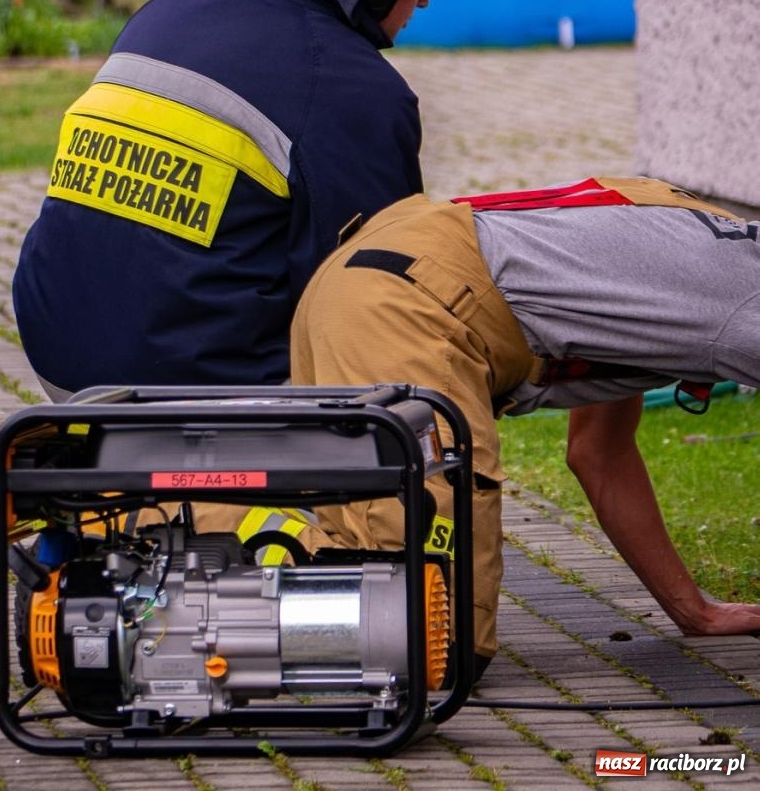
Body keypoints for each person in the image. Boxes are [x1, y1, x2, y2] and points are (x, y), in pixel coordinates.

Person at [12, 0, 475, 398]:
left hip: (58, 363)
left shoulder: (169, 7)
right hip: (198, 394)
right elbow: (375, 299)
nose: (425, 0)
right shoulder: (358, 91)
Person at [288, 176, 760, 673]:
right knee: (432, 645)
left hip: (370, 268)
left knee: (353, 534)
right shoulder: (743, 298)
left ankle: (225, 566)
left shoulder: (689, 242)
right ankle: (220, 585)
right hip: (406, 303)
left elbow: (601, 454)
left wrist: (695, 612)